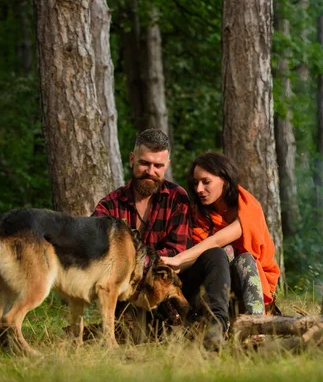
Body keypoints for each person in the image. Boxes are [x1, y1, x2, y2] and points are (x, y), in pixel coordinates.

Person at [93, 129, 231, 350]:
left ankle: (215, 330)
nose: (150, 171)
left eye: (158, 166)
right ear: (131, 159)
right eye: (144, 163)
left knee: (215, 254)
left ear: (166, 165)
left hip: (170, 290)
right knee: (135, 332)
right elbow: (97, 258)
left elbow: (174, 256)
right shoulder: (110, 205)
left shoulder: (178, 198)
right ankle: (154, 331)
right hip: (127, 297)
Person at [161, 151, 281, 316]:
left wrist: (179, 258)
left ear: (224, 179)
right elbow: (199, 256)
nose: (199, 189)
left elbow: (217, 241)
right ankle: (217, 322)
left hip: (254, 280)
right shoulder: (199, 214)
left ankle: (257, 325)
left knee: (240, 256)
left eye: (206, 182)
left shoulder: (247, 205)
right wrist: (169, 268)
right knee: (219, 255)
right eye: (195, 183)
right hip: (214, 285)